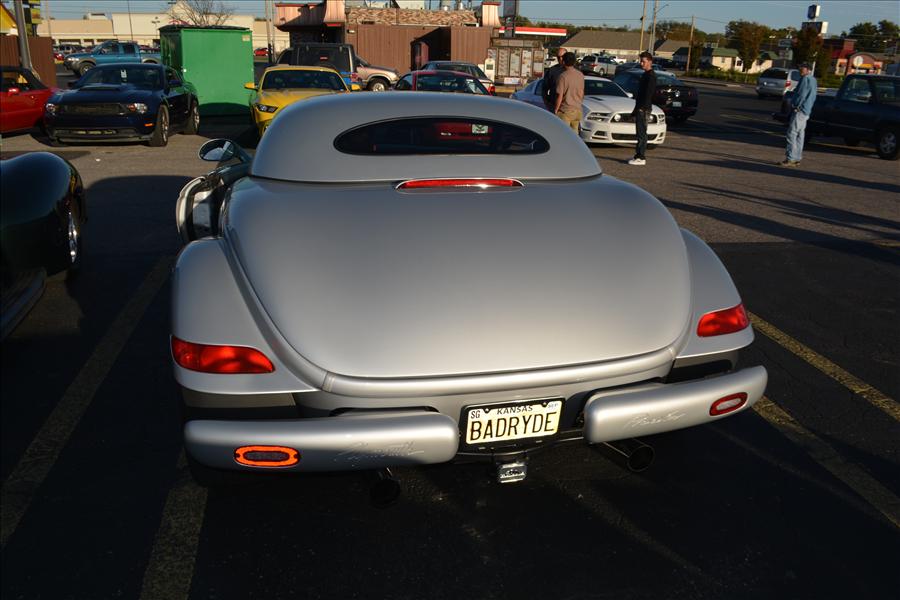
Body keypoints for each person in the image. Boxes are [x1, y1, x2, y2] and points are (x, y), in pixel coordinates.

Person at [780, 63, 817, 167]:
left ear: (808, 70)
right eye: (800, 68)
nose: (800, 70)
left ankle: (790, 158)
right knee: (800, 135)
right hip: (806, 110)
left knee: (791, 133)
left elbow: (801, 94)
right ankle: (797, 158)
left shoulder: (805, 79)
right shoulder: (813, 80)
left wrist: (796, 105)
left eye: (803, 68)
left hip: (800, 110)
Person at [628, 51, 657, 166]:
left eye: (643, 61)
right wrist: (635, 111)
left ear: (650, 62)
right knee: (639, 132)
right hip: (640, 107)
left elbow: (648, 94)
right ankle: (638, 155)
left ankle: (641, 157)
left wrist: (641, 108)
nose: (641, 64)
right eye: (640, 61)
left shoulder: (651, 76)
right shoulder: (645, 74)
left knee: (642, 133)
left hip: (644, 108)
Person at [553, 52, 585, 132]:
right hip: (578, 110)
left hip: (566, 110)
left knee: (563, 134)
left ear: (563, 62)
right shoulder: (580, 75)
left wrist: (556, 110)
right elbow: (581, 92)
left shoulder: (563, 76)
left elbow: (559, 95)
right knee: (574, 135)